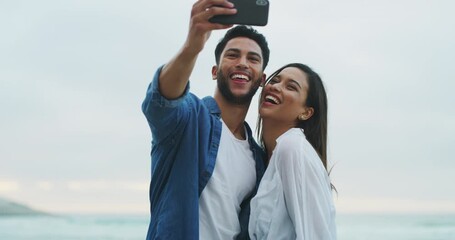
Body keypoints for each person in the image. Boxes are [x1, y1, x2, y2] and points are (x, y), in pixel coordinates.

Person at [141, 0, 270, 239]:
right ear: (214, 71)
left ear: (261, 79)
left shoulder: (258, 158)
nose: (242, 62)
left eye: (252, 59)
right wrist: (193, 44)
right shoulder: (190, 118)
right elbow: (161, 102)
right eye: (233, 55)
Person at [249, 63, 337, 239]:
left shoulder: (292, 148)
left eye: (291, 87)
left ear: (306, 112)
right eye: (275, 80)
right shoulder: (266, 158)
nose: (275, 87)